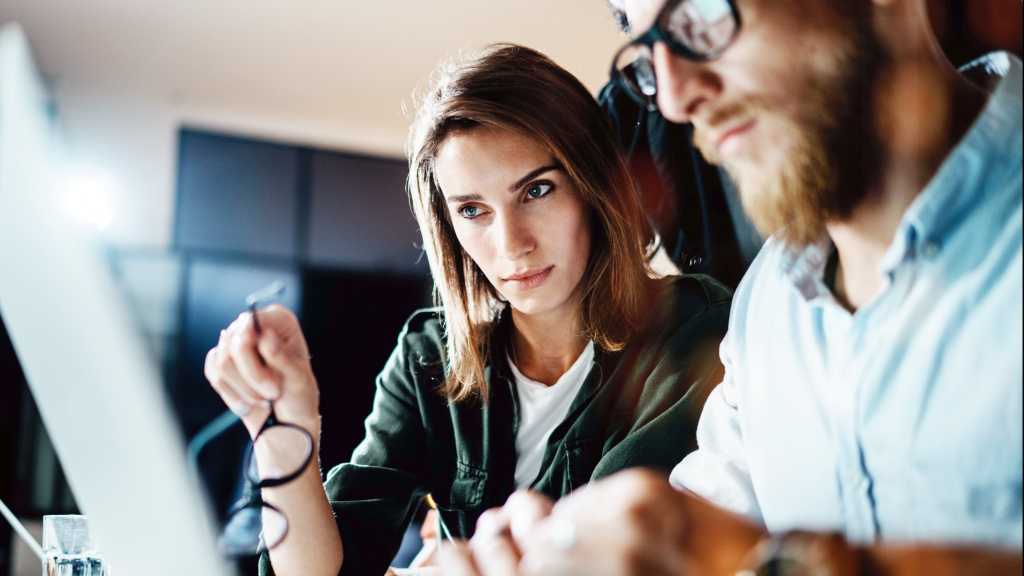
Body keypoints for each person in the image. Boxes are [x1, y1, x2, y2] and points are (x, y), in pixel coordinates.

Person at [442, 0, 1022, 575]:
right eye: (648, 51)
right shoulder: (765, 302)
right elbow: (697, 520)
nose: (673, 98)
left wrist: (781, 562)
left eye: (700, 15)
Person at [203, 43, 732, 576]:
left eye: (537, 190)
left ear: (594, 187)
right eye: (473, 210)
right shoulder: (429, 356)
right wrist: (282, 429)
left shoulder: (691, 329)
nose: (511, 244)